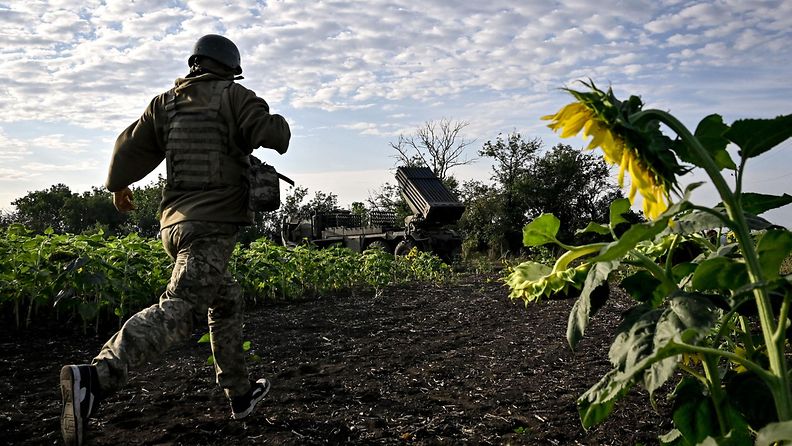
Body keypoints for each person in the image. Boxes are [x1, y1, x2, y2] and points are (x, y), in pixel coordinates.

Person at [59, 34, 290, 446]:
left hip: (173, 224)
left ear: (194, 63)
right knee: (181, 308)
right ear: (229, 67)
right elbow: (272, 135)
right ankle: (95, 377)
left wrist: (118, 186)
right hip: (212, 224)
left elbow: (128, 147)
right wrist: (277, 123)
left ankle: (239, 393)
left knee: (226, 298)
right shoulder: (235, 95)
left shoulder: (164, 103)